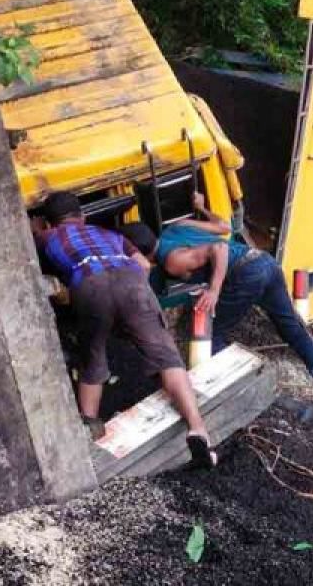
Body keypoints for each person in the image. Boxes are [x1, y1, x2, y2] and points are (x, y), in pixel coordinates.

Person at [34, 191, 217, 469]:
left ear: (49, 222)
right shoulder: (111, 235)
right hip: (132, 281)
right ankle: (197, 428)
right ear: (82, 217)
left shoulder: (47, 237)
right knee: (166, 358)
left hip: (88, 285)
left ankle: (90, 442)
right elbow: (144, 264)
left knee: (92, 359)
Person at [119, 193, 313, 416]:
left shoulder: (172, 261)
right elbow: (223, 226)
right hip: (263, 261)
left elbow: (219, 249)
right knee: (290, 326)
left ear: (136, 252)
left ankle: (250, 394)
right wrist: (203, 209)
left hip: (245, 273)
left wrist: (214, 290)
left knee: (211, 336)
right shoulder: (177, 227)